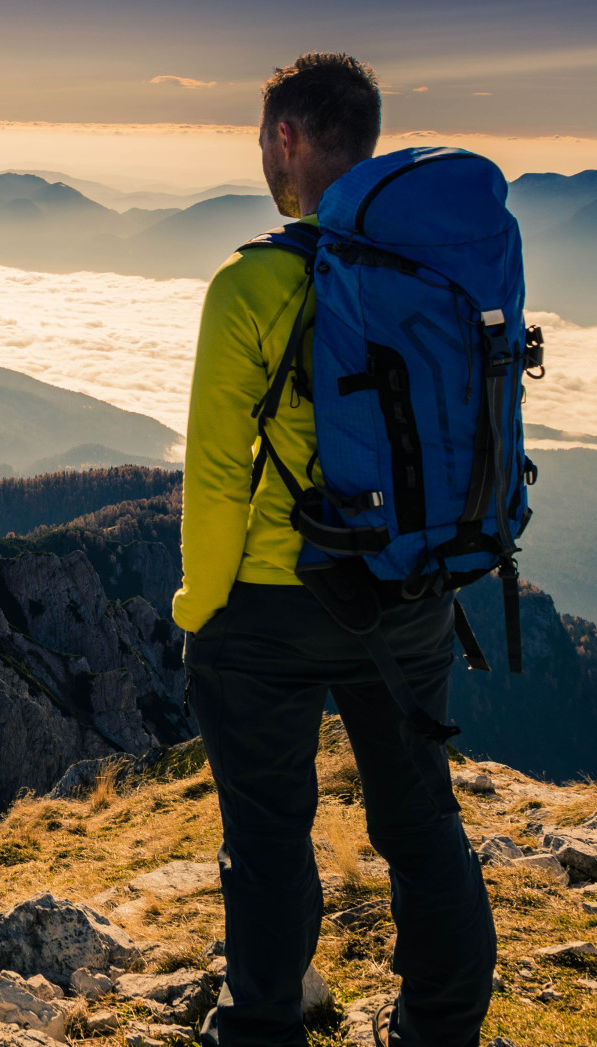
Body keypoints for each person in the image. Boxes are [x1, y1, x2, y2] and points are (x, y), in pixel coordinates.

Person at [175, 53, 496, 1047]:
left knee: (267, 838)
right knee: (419, 822)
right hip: (407, 590)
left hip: (267, 609)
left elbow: (219, 476)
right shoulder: (433, 272)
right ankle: (440, 1027)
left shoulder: (251, 282)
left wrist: (199, 605)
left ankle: (264, 1028)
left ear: (286, 139)